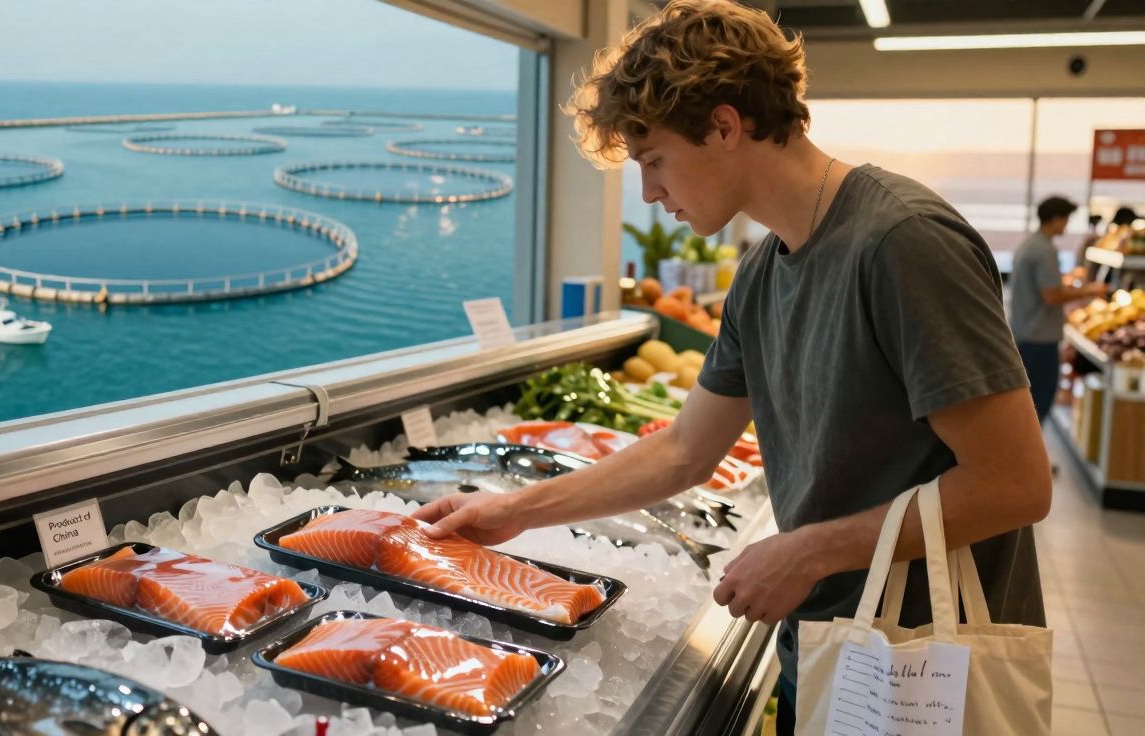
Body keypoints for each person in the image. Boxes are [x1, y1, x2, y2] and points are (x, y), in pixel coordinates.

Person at [412, 2, 1051, 734]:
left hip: (925, 669)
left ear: (723, 126)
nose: (649, 193)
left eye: (653, 161)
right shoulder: (760, 273)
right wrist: (512, 512)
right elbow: (685, 452)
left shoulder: (903, 243)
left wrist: (807, 551)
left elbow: (1015, 484)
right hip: (827, 655)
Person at [1010, 196, 1107, 423]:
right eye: (1066, 219)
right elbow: (1052, 295)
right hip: (1039, 337)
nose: (1067, 225)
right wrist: (1090, 290)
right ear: (1054, 219)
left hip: (1026, 331)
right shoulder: (1044, 250)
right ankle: (1032, 447)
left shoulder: (1029, 244)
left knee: (1028, 400)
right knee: (1039, 400)